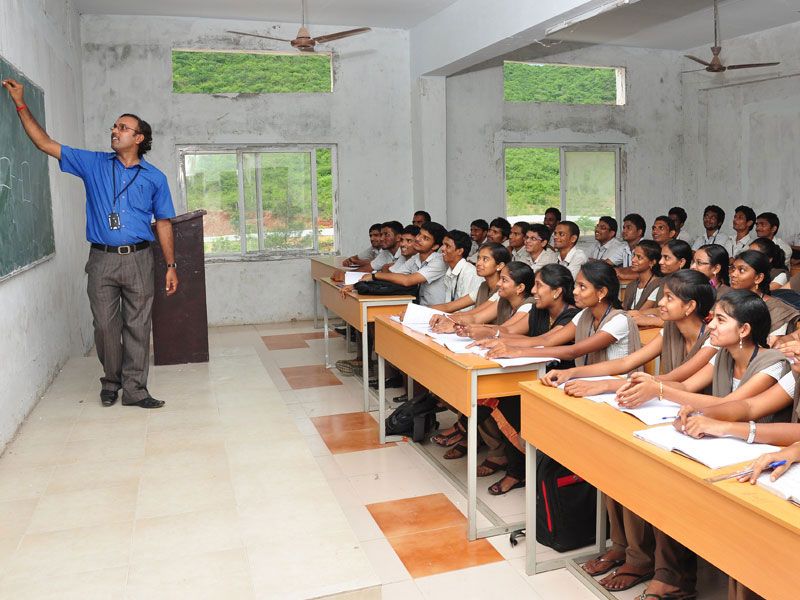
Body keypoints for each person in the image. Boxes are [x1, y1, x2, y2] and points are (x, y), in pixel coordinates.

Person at [2, 78, 177, 409]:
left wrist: (170, 265)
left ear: (138, 138)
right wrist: (20, 103)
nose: (115, 131)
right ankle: (111, 381)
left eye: (123, 128)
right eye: (114, 126)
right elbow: (44, 143)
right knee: (106, 327)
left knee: (138, 326)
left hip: (141, 258)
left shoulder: (155, 178)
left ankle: (136, 390)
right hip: (102, 260)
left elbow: (164, 223)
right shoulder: (93, 163)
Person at [479, 265, 580, 495]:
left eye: (539, 285)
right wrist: (483, 333)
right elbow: (511, 333)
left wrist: (508, 347)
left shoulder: (572, 316)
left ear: (557, 291)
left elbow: (545, 341)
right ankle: (517, 466)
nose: (533, 291)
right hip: (534, 379)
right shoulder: (538, 310)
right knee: (500, 396)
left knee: (508, 401)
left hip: (561, 384)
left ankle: (520, 471)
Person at [478, 261, 642, 366]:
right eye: (576, 285)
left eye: (582, 287)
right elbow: (546, 340)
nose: (575, 291)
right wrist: (497, 340)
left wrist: (517, 351)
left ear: (601, 292)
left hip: (616, 388)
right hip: (590, 381)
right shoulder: (584, 315)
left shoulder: (619, 320)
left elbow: (573, 351)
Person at [361, 221, 448, 306]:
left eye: (425, 238)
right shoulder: (416, 257)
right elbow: (395, 276)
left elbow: (407, 280)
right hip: (420, 308)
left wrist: (374, 276)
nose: (418, 239)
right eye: (419, 234)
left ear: (435, 246)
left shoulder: (439, 260)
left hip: (437, 312)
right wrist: (356, 286)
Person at [729, 250, 800, 338]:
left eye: (742, 270)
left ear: (758, 278)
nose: (733, 274)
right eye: (733, 269)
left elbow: (770, 346)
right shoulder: (728, 299)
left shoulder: (776, 309)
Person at [630, 240, 693, 328]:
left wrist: (652, 320)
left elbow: (687, 321)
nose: (660, 262)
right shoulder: (665, 281)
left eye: (666, 258)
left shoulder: (690, 285)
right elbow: (659, 310)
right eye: (661, 257)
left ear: (681, 262)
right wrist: (639, 313)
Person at [430, 229, 483, 313]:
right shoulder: (450, 271)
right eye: (443, 244)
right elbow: (448, 304)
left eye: (447, 246)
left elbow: (466, 310)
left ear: (459, 251)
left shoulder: (470, 273)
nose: (442, 249)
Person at [620, 240, 662, 311]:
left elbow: (641, 313)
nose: (633, 260)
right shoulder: (631, 285)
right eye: (634, 255)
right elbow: (624, 308)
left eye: (639, 257)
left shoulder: (658, 285)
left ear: (652, 262)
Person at [613, 213, 646, 279]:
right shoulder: (624, 247)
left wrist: (620, 271)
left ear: (639, 232)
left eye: (628, 228)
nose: (624, 231)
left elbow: (643, 272)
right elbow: (607, 263)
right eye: (624, 228)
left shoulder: (646, 247)